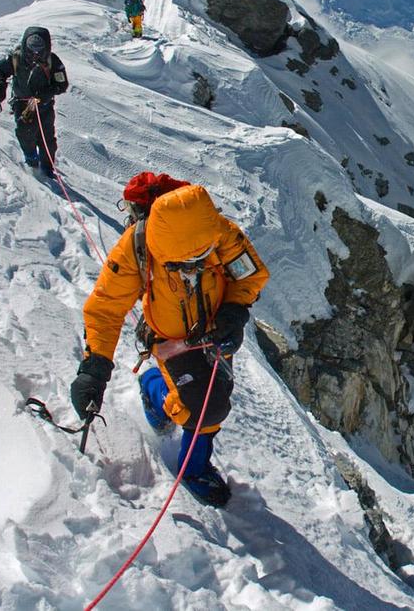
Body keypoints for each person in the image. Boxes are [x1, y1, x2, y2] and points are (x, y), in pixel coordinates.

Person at [71, 175, 270, 507]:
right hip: (170, 338)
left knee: (217, 394)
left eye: (199, 258)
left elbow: (249, 274)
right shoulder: (137, 247)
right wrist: (94, 367)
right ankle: (192, 466)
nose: (190, 268)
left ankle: (153, 388)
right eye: (179, 264)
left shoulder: (219, 232)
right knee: (205, 409)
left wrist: (234, 311)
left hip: (215, 330)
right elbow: (105, 308)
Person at [0, 27, 68, 178]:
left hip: (44, 104)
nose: (36, 52)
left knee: (47, 138)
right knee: (25, 133)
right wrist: (0, 86)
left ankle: (47, 168)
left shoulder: (53, 61)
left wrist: (46, 93)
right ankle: (31, 159)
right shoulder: (16, 58)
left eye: (40, 47)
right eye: (32, 46)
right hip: (23, 104)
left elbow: (62, 84)